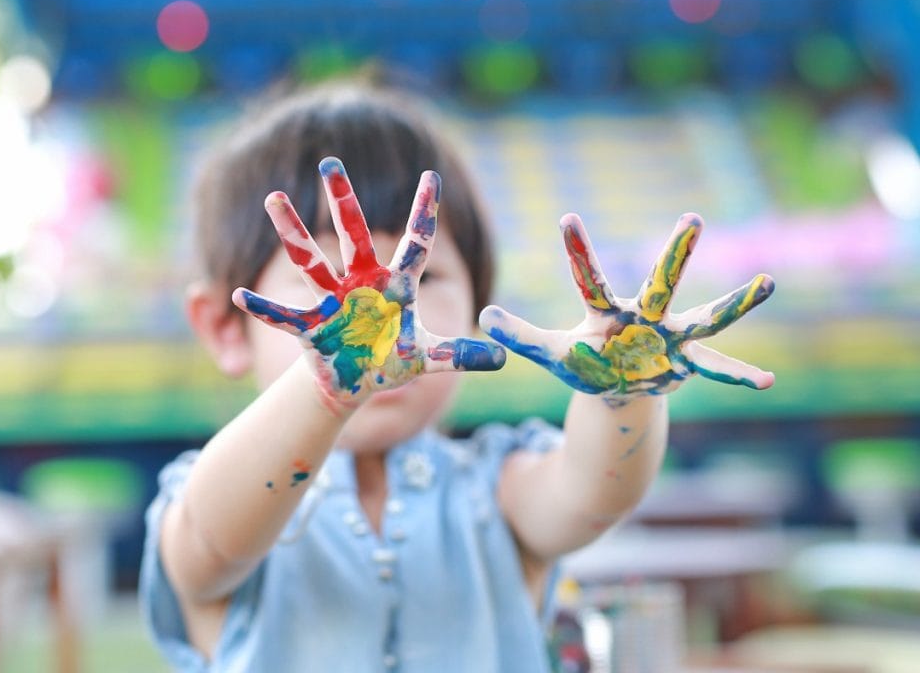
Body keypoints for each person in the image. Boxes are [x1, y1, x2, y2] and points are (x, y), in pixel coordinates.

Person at [139, 78, 775, 672]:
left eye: (426, 278)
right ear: (226, 327)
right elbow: (211, 546)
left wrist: (624, 394)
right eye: (334, 285)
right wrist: (324, 387)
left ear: (476, 302)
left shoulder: (498, 489)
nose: (386, 315)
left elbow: (592, 493)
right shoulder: (220, 498)